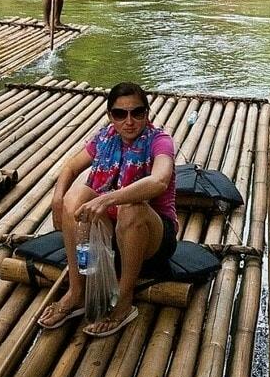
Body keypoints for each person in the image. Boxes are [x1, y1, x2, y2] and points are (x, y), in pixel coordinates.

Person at [39, 82, 178, 337]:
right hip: (113, 234)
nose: (129, 121)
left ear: (147, 114)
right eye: (120, 114)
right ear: (109, 116)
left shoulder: (160, 141)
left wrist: (108, 199)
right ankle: (77, 292)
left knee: (131, 207)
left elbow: (160, 180)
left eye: (137, 113)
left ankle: (124, 303)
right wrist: (58, 199)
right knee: (76, 196)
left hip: (152, 237)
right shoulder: (104, 138)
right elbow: (70, 166)